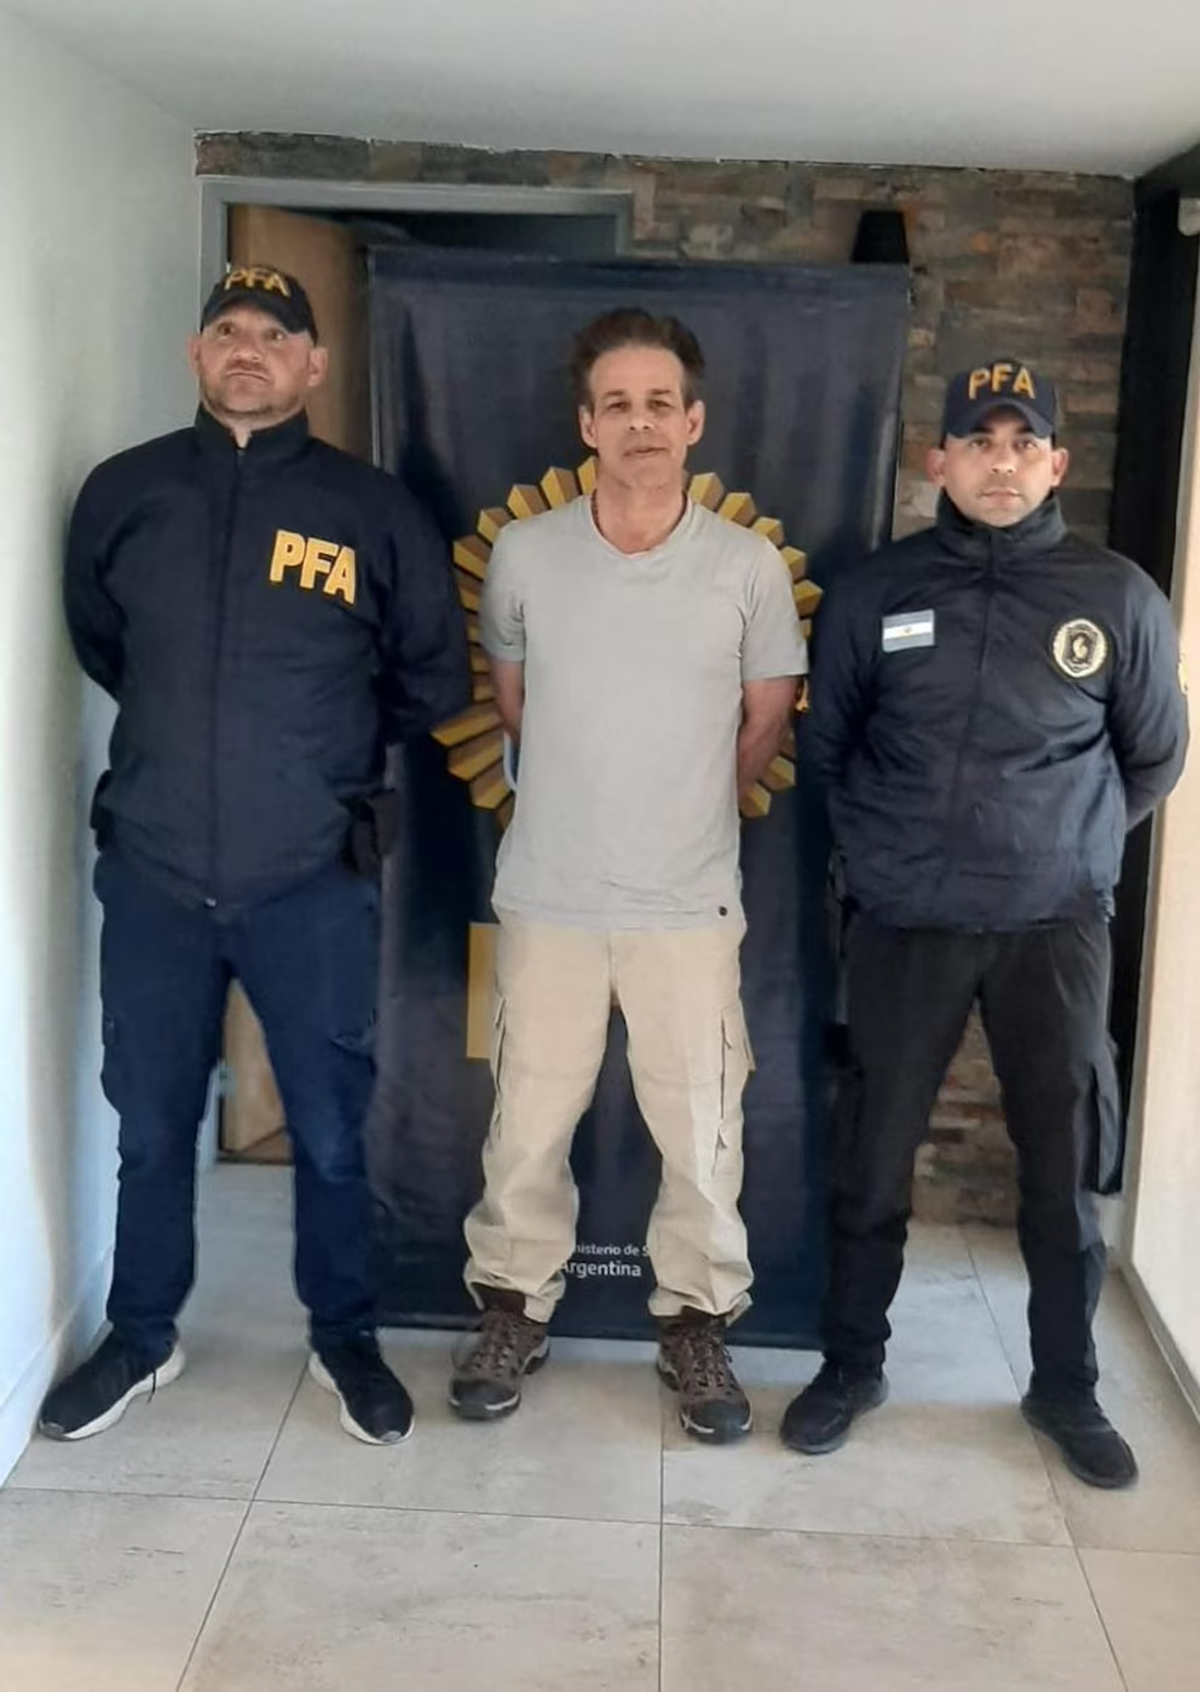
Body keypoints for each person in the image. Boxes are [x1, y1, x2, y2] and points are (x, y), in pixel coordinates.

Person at [41, 265, 469, 1446]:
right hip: (156, 870)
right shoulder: (125, 493)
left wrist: (313, 757)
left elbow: (431, 676)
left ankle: (345, 1337)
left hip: (310, 877)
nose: (248, 348)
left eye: (275, 335)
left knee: (330, 1129)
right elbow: (105, 642)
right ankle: (141, 1335)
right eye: (227, 329)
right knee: (150, 1126)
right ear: (197, 354)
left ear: (312, 365)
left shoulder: (372, 511)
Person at [783, 357, 1188, 1488]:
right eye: (978, 441)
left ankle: (1066, 1387)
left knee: (1063, 1172)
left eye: (1023, 444)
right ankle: (850, 1366)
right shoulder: (875, 591)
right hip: (905, 922)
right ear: (939, 462)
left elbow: (1155, 756)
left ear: (1056, 464)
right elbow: (826, 750)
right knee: (872, 1162)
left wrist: (1072, 843)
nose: (1000, 463)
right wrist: (886, 858)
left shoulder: (1118, 597)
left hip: (1053, 927)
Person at [449, 307, 806, 1442]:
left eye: (660, 403)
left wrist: (680, 809)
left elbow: (765, 719)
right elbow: (517, 705)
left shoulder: (746, 568)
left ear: (693, 423)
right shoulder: (526, 555)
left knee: (701, 1131)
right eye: (618, 404)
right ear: (586, 424)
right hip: (549, 895)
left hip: (687, 904)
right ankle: (513, 1310)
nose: (640, 422)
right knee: (525, 1123)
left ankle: (695, 1323)